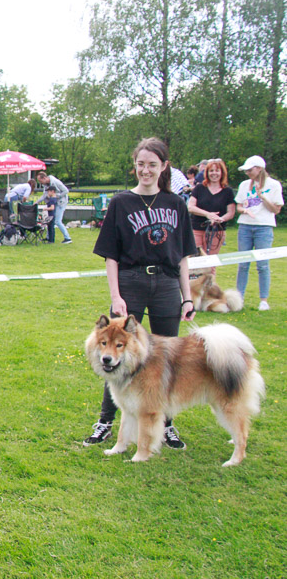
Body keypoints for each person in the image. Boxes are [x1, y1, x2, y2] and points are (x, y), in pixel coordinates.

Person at [84, 137, 197, 449]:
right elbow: (111, 256)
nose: (146, 170)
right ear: (134, 166)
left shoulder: (176, 204)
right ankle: (106, 421)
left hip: (166, 285)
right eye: (141, 164)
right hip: (131, 281)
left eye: (152, 165)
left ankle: (166, 422)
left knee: (166, 359)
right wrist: (116, 294)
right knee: (115, 356)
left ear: (163, 167)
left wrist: (187, 296)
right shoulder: (121, 203)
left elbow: (184, 256)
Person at [234, 155, 284, 311]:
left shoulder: (274, 185)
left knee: (263, 264)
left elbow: (276, 209)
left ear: (259, 169)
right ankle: (238, 298)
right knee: (243, 264)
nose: (247, 173)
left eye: (250, 170)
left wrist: (262, 197)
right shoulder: (244, 185)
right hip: (245, 226)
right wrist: (245, 210)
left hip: (264, 226)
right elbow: (239, 206)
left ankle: (263, 300)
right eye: (246, 170)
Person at [187, 158, 235, 267]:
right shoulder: (199, 188)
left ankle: (209, 284)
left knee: (210, 264)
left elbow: (230, 213)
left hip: (216, 231)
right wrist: (208, 214)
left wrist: (219, 219)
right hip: (197, 229)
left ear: (222, 172)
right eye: (211, 171)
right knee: (195, 262)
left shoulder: (227, 191)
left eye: (217, 170)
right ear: (207, 173)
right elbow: (191, 207)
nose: (214, 173)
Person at [36, 171, 72, 244]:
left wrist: (57, 196)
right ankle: (49, 237)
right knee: (50, 220)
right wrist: (37, 202)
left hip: (61, 202)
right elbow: (44, 195)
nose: (40, 183)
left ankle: (67, 238)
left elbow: (66, 190)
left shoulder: (56, 182)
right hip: (54, 202)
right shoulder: (46, 185)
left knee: (57, 221)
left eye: (40, 181)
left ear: (45, 178)